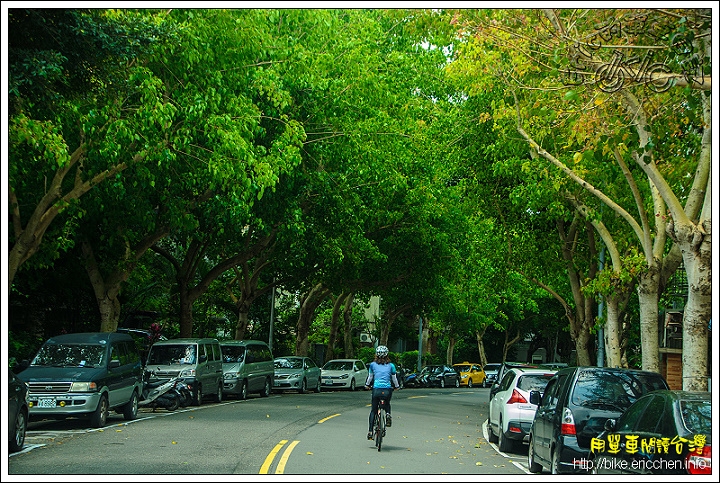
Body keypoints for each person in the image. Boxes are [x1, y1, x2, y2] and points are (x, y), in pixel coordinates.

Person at [364, 345, 401, 440]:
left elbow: (370, 377)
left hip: (376, 389)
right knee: (387, 403)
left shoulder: (372, 365)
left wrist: (367, 385)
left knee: (373, 410)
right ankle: (388, 414)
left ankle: (370, 431)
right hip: (387, 389)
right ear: (387, 355)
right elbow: (394, 378)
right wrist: (397, 386)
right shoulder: (391, 366)